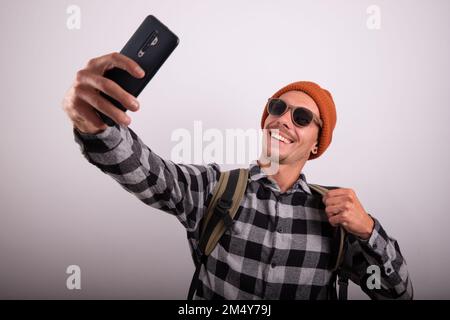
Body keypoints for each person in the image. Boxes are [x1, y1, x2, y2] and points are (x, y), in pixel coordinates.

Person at [62, 52, 413, 299]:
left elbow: (398, 293)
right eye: (277, 108)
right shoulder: (217, 188)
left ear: (317, 143)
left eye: (302, 118)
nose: (283, 120)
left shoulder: (340, 218)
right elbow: (150, 173)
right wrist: (97, 126)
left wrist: (368, 230)